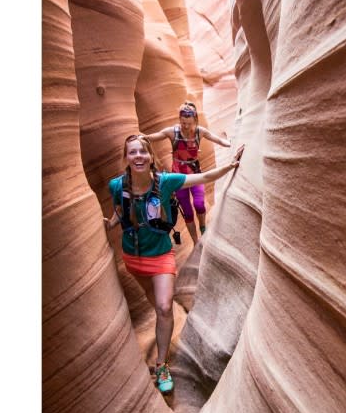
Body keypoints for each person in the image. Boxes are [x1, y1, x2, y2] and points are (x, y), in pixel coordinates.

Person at [104, 134, 244, 394]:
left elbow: (200, 178)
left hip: (160, 256)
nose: (138, 156)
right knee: (156, 305)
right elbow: (121, 210)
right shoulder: (116, 186)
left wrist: (230, 165)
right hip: (133, 258)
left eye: (142, 152)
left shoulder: (165, 182)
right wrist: (111, 224)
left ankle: (162, 365)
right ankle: (165, 330)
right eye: (132, 152)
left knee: (164, 306)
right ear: (126, 157)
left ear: (150, 157)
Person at [145, 101, 231, 244]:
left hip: (196, 174)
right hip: (178, 178)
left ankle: (203, 227)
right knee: (187, 211)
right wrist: (144, 138)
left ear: (195, 120)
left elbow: (215, 138)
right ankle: (195, 241)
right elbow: (158, 135)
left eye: (188, 123)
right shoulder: (173, 132)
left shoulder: (200, 132)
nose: (185, 126)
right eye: (183, 123)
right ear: (180, 120)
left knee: (199, 204)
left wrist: (228, 143)